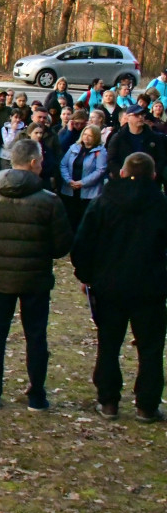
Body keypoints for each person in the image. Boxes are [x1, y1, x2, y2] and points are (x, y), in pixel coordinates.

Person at [0, 139, 73, 412]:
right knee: (35, 335)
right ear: (34, 162)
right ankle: (37, 395)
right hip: (35, 278)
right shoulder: (49, 201)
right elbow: (61, 245)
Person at [71, 152, 167, 423]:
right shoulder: (160, 205)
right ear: (153, 175)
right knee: (150, 348)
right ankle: (146, 404)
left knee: (109, 343)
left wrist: (86, 276)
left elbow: (83, 243)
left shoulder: (103, 202)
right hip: (150, 287)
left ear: (122, 173)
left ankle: (109, 400)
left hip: (110, 285)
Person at [58, 125, 107, 231]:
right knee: (70, 218)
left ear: (96, 137)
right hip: (70, 189)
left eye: (90, 135)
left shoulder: (100, 151)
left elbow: (100, 170)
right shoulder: (74, 147)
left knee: (85, 221)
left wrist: (82, 182)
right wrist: (68, 180)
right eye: (85, 134)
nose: (86, 137)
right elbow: (63, 164)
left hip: (88, 192)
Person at [107, 105, 167, 181]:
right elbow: (112, 160)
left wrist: (154, 173)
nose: (140, 117)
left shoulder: (154, 137)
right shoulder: (118, 137)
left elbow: (161, 158)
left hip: (148, 180)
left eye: (142, 114)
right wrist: (121, 174)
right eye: (136, 115)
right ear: (128, 117)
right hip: (125, 181)